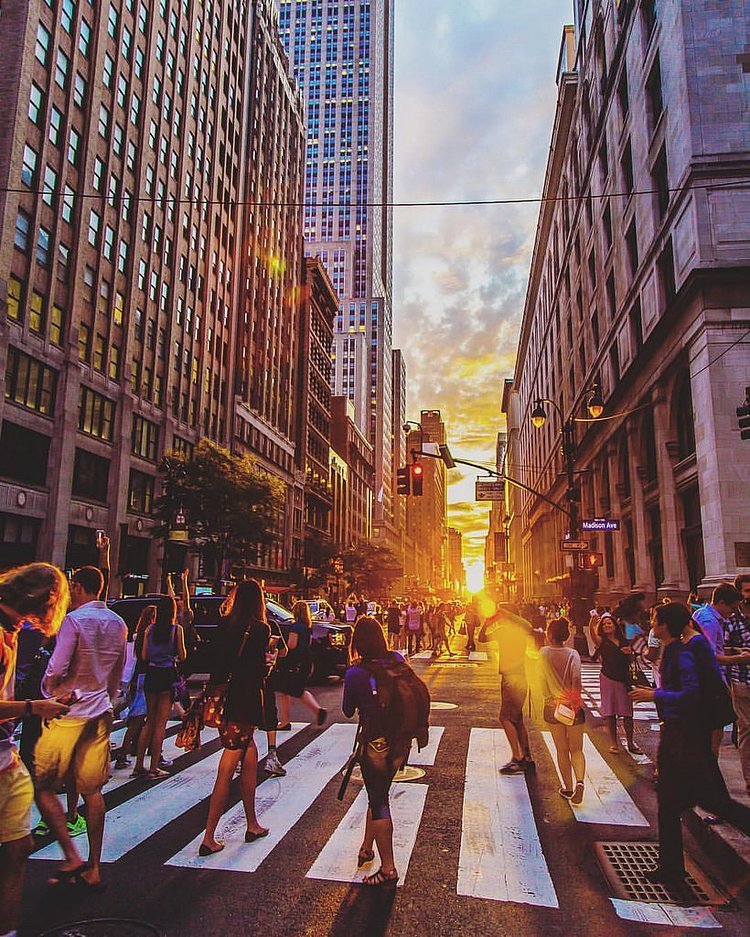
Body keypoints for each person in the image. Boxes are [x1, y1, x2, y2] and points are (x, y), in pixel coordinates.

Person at [630, 603, 750, 884]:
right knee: (670, 802)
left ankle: (671, 867)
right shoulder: (677, 647)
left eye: (655, 620)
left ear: (666, 625)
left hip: (685, 736)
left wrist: (654, 695)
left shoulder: (685, 649)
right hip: (679, 734)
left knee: (710, 800)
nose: (652, 626)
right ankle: (671, 867)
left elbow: (690, 693)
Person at [35, 566, 127, 892]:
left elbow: (56, 667)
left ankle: (70, 856)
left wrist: (49, 692)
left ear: (78, 587)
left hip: (69, 711)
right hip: (100, 711)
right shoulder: (118, 623)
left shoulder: (73, 621)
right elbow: (118, 671)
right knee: (93, 792)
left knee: (43, 785)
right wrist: (110, 698)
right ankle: (94, 866)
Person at [0, 564, 70, 937]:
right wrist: (34, 707)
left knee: (19, 847)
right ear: (46, 599)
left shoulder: (11, 631)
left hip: (5, 758)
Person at [199, 581, 272, 856]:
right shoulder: (260, 630)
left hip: (226, 701)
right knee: (228, 766)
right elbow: (257, 671)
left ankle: (252, 823)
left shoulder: (224, 625)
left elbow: (216, 661)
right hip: (245, 702)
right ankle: (208, 836)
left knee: (250, 757)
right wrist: (268, 664)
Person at [342, 616, 411, 887]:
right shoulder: (397, 659)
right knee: (377, 793)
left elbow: (348, 710)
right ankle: (366, 846)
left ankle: (389, 869)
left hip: (375, 743)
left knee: (379, 800)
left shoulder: (356, 672)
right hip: (400, 742)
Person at [131, 598, 186, 779]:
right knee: (160, 724)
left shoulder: (149, 629)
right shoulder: (176, 630)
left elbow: (144, 655)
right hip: (166, 675)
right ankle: (154, 767)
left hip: (151, 674)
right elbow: (183, 655)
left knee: (149, 721)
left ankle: (138, 765)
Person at [480, 605, 535, 775]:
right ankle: (527, 757)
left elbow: (528, 626)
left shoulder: (513, 630)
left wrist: (502, 616)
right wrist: (488, 621)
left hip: (513, 679)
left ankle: (517, 757)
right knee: (517, 719)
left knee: (505, 717)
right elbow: (482, 638)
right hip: (518, 677)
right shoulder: (511, 631)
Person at [539, 618, 586, 803]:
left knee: (561, 749)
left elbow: (541, 680)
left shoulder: (543, 653)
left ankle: (568, 788)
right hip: (572, 707)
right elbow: (577, 680)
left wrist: (548, 696)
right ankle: (580, 782)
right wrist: (575, 700)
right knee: (577, 749)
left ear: (550, 634)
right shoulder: (573, 654)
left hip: (553, 707)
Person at [692, 583, 742, 756]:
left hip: (704, 679)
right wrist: (738, 659)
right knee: (714, 733)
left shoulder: (701, 613)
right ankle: (710, 767)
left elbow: (714, 648)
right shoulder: (710, 622)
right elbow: (710, 656)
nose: (732, 613)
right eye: (732, 608)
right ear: (721, 602)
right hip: (710, 682)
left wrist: (733, 650)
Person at [592, 612, 642, 755]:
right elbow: (593, 635)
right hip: (607, 678)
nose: (607, 626)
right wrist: (592, 622)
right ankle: (614, 743)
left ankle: (630, 742)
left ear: (615, 625)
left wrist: (629, 653)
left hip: (623, 679)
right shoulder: (602, 642)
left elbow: (631, 661)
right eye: (604, 624)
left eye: (609, 623)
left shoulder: (624, 641)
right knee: (610, 713)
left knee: (627, 713)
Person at [113, 605, 156, 770]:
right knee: (139, 719)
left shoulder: (138, 635)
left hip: (138, 678)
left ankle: (131, 752)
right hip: (145, 679)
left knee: (140, 718)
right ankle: (124, 754)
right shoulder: (147, 636)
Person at [274, 602, 327, 731]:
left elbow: (291, 645)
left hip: (294, 662)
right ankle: (317, 710)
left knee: (285, 690)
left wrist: (280, 646)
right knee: (297, 690)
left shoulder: (295, 627)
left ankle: (285, 721)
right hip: (305, 661)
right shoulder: (307, 627)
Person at [726, 574, 750, 795]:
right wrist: (738, 654)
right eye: (747, 591)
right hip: (742, 680)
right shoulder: (731, 619)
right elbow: (721, 649)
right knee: (747, 731)